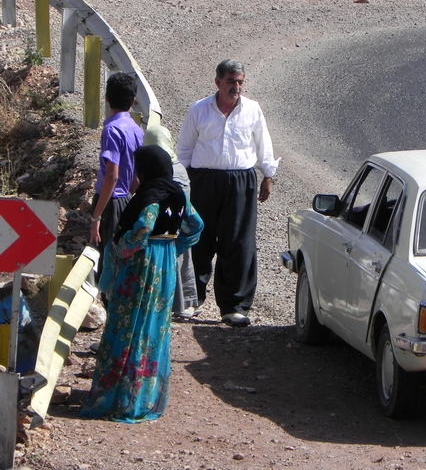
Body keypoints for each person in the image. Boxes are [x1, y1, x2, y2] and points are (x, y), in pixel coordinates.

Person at [80, 145, 203, 423]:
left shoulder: (149, 197)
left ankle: (123, 398)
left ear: (145, 170)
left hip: (142, 267)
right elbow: (196, 225)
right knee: (154, 328)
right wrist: (175, 246)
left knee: (128, 326)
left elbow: (142, 231)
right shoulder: (178, 193)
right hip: (165, 266)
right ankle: (146, 396)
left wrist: (120, 247)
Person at [176, 59, 280, 327]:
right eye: (231, 81)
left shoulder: (253, 110)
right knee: (198, 237)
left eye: (240, 81)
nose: (236, 86)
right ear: (218, 82)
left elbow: (263, 145)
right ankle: (191, 299)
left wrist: (268, 176)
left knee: (237, 242)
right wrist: (181, 185)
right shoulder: (199, 110)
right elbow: (185, 150)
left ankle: (234, 306)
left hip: (240, 181)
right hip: (203, 180)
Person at [89, 72, 144, 285]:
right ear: (133, 100)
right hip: (127, 200)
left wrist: (96, 217)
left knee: (107, 262)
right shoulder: (136, 129)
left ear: (106, 98)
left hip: (110, 203)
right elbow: (136, 176)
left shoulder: (111, 130)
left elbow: (111, 176)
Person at [142, 125, 200, 319]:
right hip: (183, 221)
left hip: (167, 223)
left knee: (170, 255)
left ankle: (175, 304)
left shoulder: (162, 168)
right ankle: (188, 301)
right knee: (184, 255)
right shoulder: (180, 168)